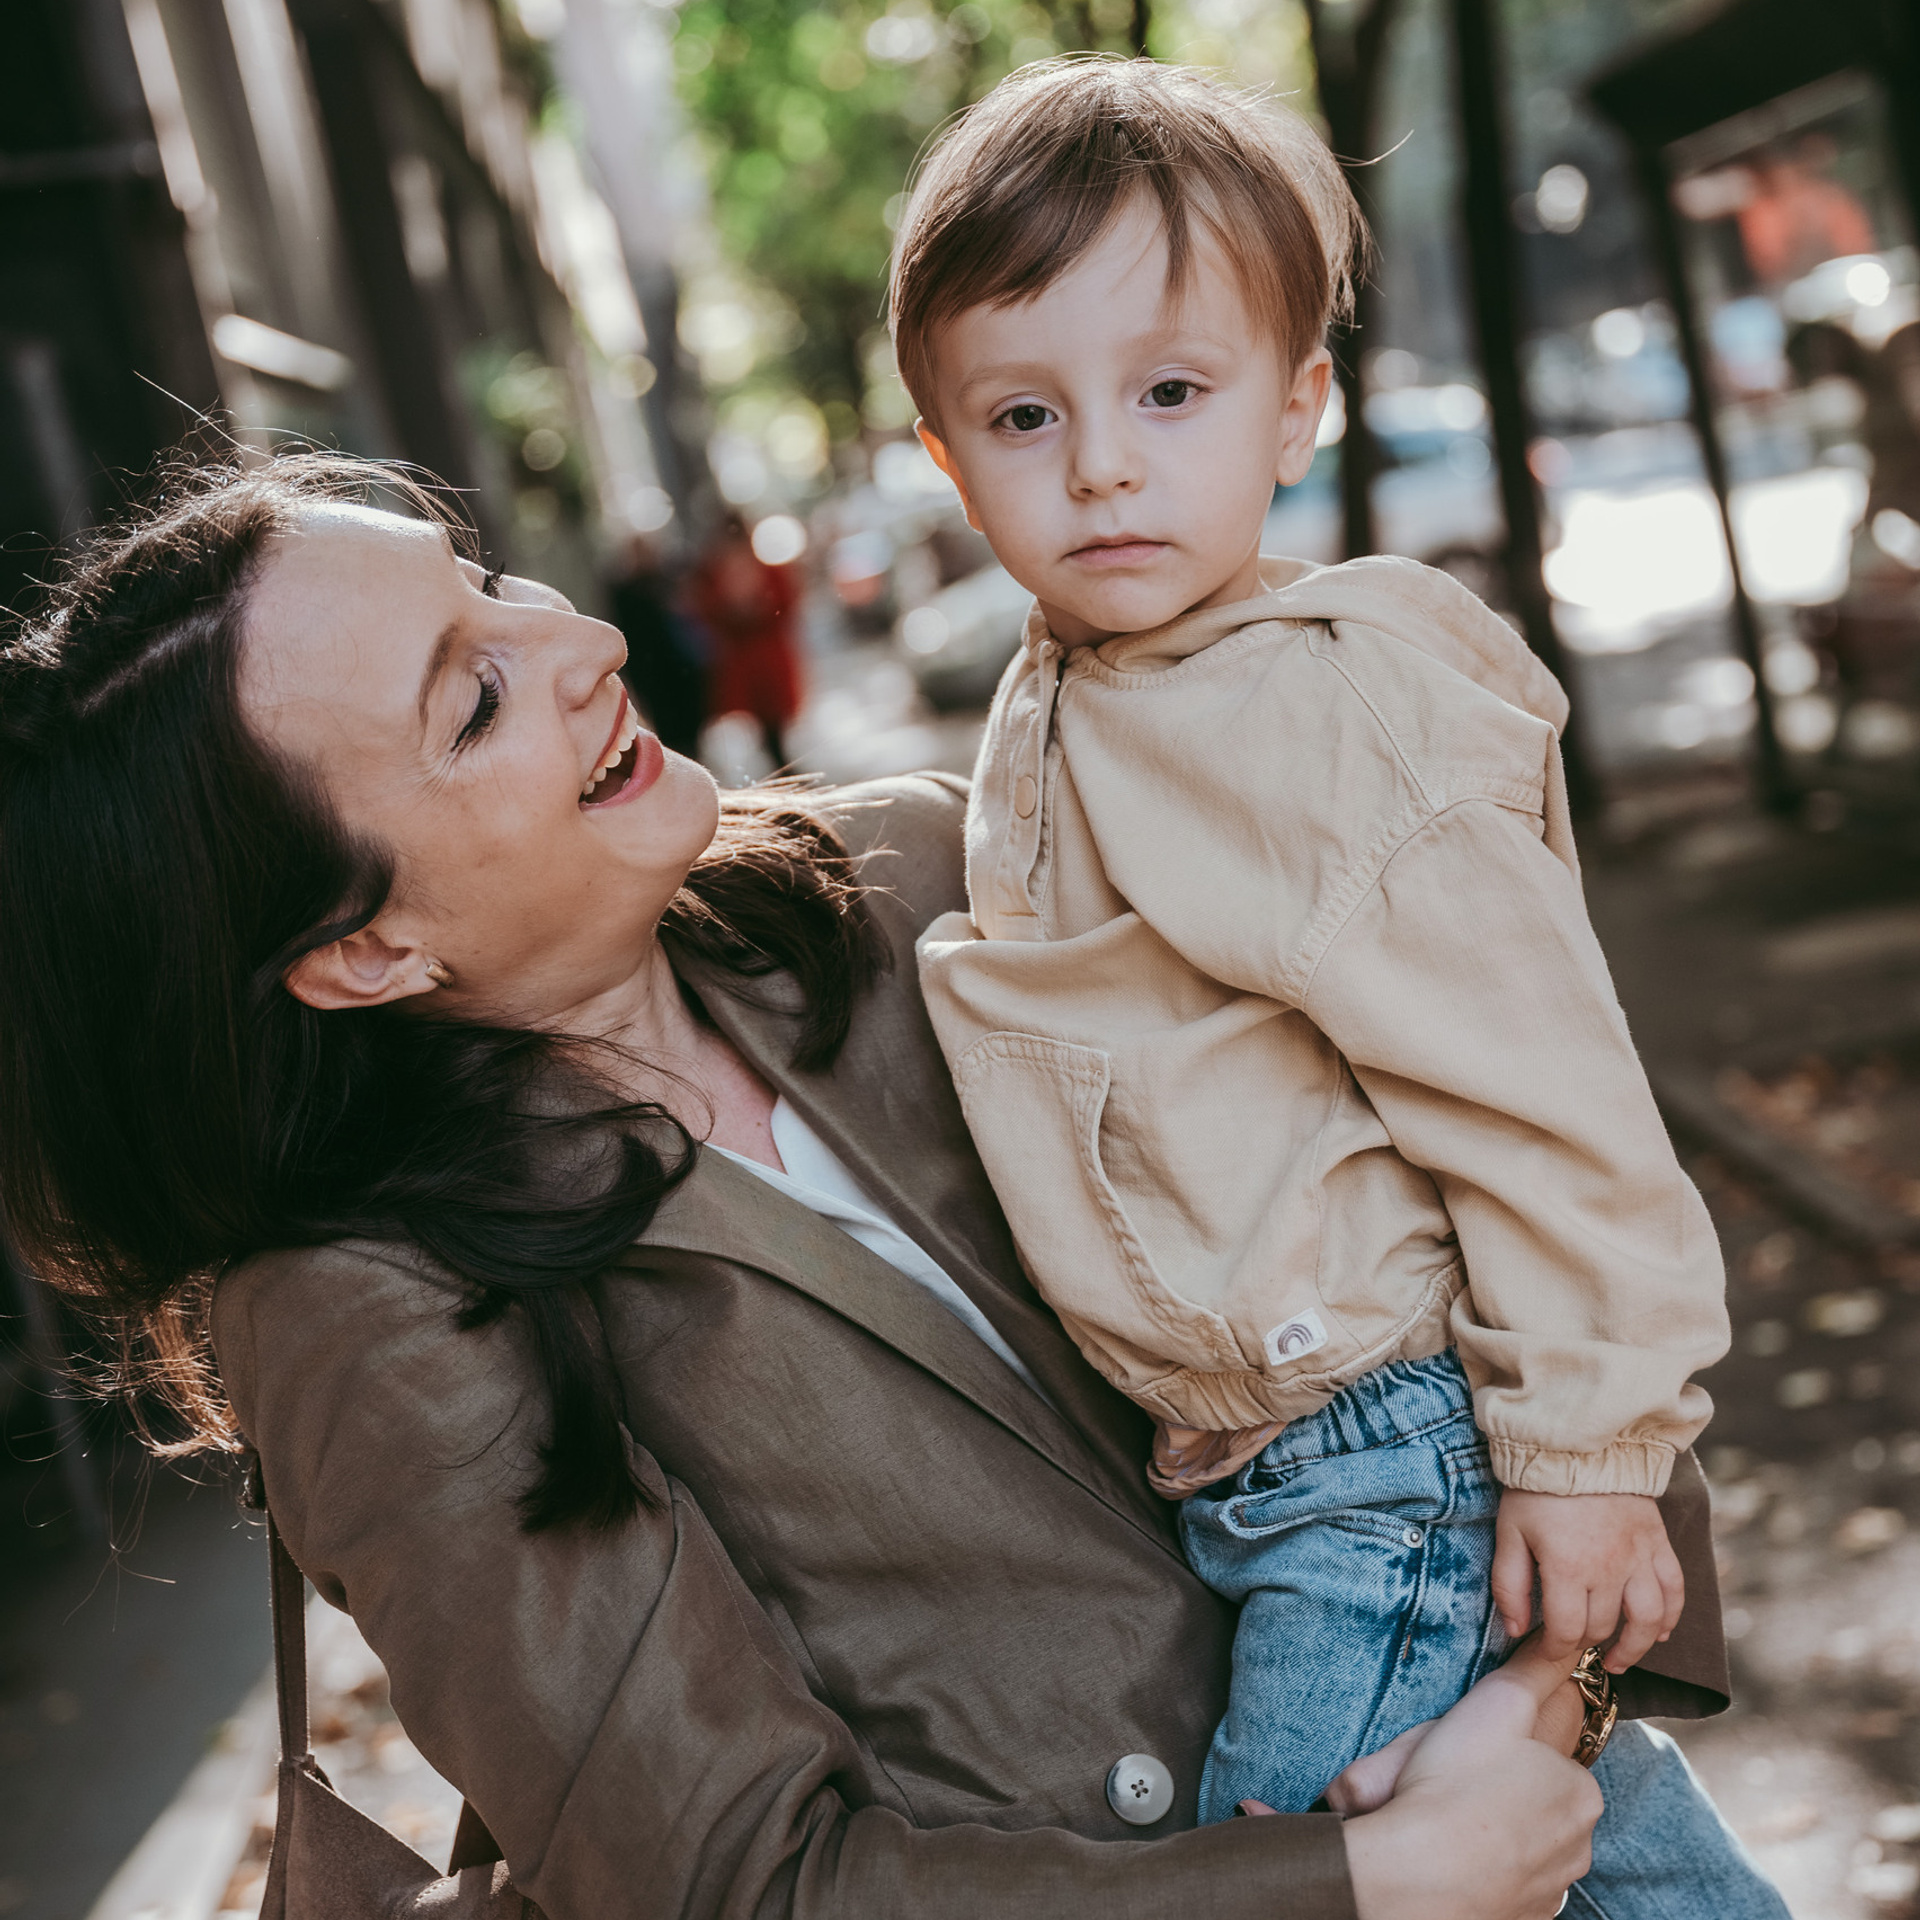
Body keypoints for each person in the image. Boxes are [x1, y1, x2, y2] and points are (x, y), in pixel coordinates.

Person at [0, 450, 1720, 1919]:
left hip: (1528, 1799)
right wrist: (1366, 1891)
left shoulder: (916, 880)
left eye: (492, 583)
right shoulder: (368, 1310)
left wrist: (1551, 1690)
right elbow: (748, 1883)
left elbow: (1483, 1128)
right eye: (473, 698)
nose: (587, 641)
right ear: (364, 947)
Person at [897, 59, 1784, 1913]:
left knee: (1298, 1876)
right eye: (1026, 415)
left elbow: (1545, 1088)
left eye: (1170, 392)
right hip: (1265, 1464)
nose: (1105, 464)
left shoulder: (1302, 702)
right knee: (1594, 1852)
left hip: (1382, 1458)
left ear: (1300, 405)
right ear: (942, 453)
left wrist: (1597, 1455)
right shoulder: (1079, 684)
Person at [688, 508, 802, 768]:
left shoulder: (763, 568)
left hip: (767, 657)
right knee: (765, 728)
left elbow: (786, 603)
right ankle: (783, 768)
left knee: (777, 725)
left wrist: (759, 606)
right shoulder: (717, 573)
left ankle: (784, 768)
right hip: (747, 662)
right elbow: (708, 611)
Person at [606, 532, 707, 760]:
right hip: (653, 669)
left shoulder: (666, 581)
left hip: (677, 666)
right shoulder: (627, 591)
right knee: (669, 724)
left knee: (688, 722)